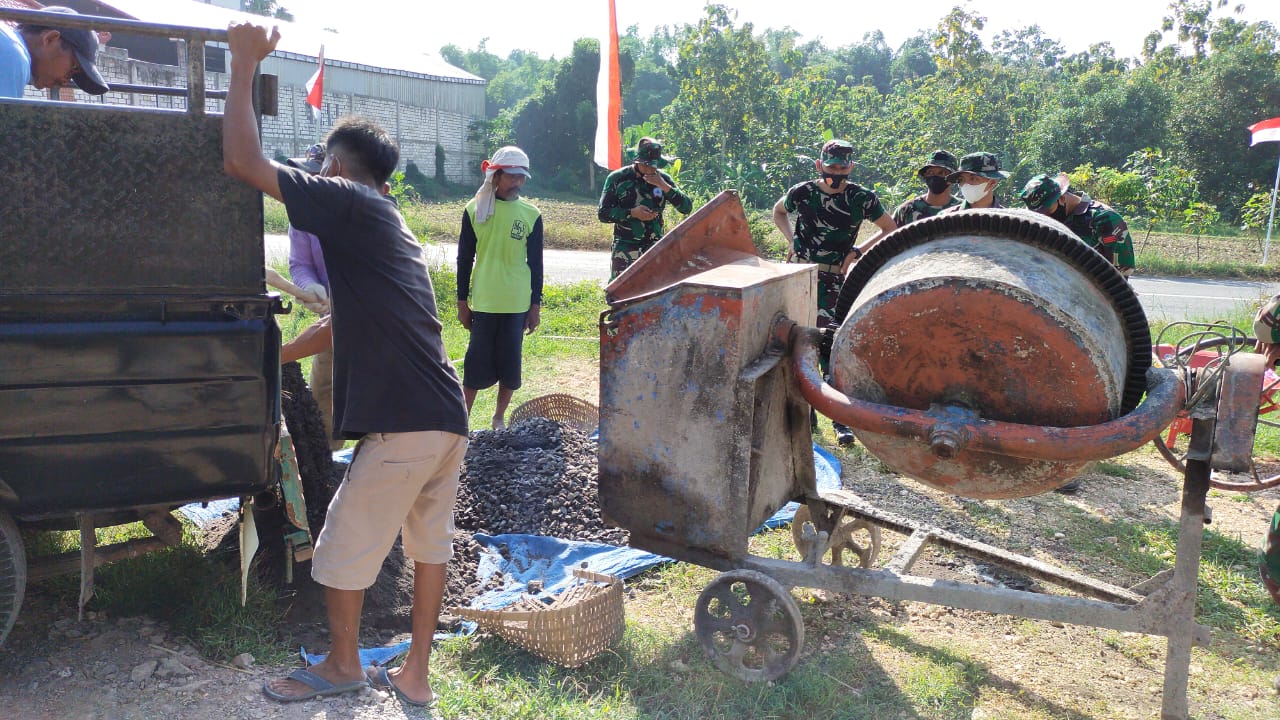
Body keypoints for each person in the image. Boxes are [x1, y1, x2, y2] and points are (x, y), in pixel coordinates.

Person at [221, 22, 468, 707]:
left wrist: (243, 64)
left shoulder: (348, 203)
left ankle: (341, 666)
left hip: (404, 425)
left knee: (336, 550)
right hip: (445, 419)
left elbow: (242, 162)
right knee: (429, 548)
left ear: (332, 168)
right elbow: (338, 325)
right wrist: (276, 354)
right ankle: (414, 675)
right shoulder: (390, 222)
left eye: (319, 165)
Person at [772, 139, 897, 445]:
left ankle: (839, 418)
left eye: (842, 168)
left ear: (850, 167)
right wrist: (791, 241)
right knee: (792, 340)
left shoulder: (861, 198)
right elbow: (779, 212)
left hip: (832, 281)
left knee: (830, 345)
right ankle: (804, 412)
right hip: (798, 275)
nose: (836, 173)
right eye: (831, 167)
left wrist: (857, 251)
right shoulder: (803, 191)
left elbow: (889, 228)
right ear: (819, 165)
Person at [457, 145, 544, 430]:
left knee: (510, 367)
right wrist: (461, 302)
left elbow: (536, 264)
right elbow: (464, 259)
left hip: (516, 302)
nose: (517, 182)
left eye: (521, 177)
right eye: (511, 176)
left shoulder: (531, 214)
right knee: (474, 366)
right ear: (495, 175)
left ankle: (498, 418)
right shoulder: (474, 210)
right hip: (484, 301)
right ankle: (461, 421)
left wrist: (535, 305)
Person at [284, 142, 342, 449]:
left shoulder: (363, 213)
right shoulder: (302, 218)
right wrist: (310, 286)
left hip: (374, 325)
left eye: (314, 175)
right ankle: (330, 457)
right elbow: (300, 264)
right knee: (324, 397)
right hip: (331, 322)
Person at [597, 137, 693, 279]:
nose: (650, 169)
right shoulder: (618, 178)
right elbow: (603, 213)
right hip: (626, 248)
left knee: (655, 288)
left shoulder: (663, 179)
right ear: (637, 161)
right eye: (646, 165)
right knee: (621, 290)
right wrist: (631, 213)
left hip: (654, 248)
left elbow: (686, 208)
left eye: (654, 166)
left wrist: (664, 186)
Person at [1019, 172, 1137, 277]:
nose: (1045, 217)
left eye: (1048, 211)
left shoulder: (1103, 218)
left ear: (1062, 198)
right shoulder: (1049, 221)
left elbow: (1122, 270)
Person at [1, 6, 108, 99]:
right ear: (50, 39)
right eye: (73, 68)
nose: (65, 82)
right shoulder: (14, 56)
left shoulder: (7, 41)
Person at [892, 150, 961, 226]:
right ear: (924, 176)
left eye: (942, 173)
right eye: (930, 172)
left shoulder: (963, 209)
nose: (935, 176)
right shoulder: (906, 211)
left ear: (952, 178)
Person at [940, 152, 1009, 212]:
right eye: (961, 180)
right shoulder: (946, 218)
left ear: (992, 182)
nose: (965, 184)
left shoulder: (1007, 219)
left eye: (973, 178)